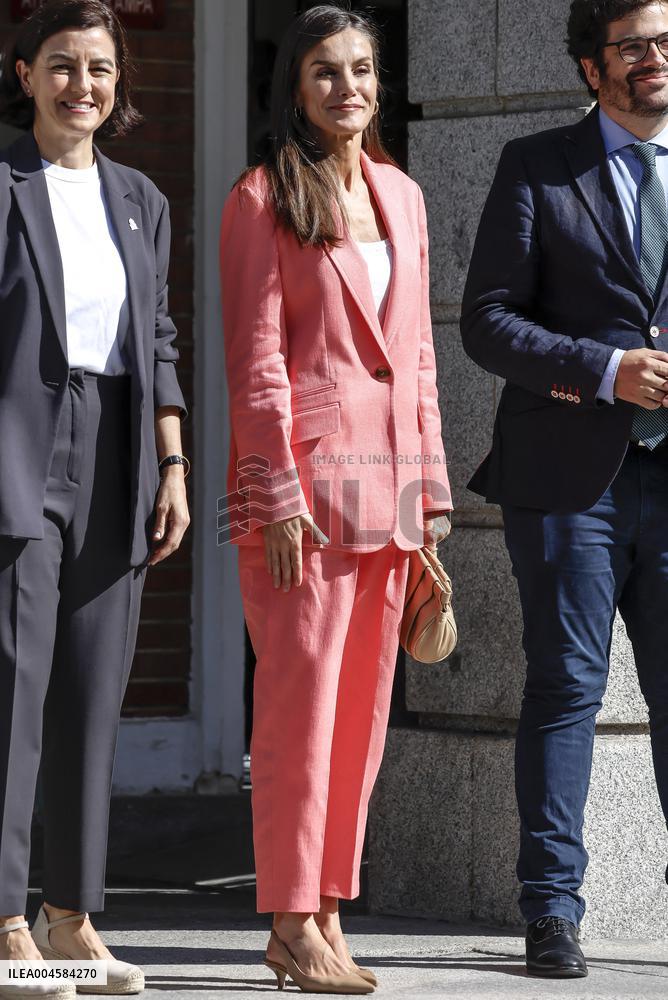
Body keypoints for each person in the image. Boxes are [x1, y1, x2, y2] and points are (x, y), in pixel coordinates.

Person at [220, 4, 451, 994]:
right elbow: (255, 359)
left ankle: (325, 911)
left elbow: (417, 354)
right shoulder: (260, 196)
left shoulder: (402, 194)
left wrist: (430, 488)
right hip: (301, 499)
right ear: (295, 88)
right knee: (298, 711)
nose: (346, 86)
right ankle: (288, 916)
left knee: (359, 715)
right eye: (325, 71)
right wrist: (274, 491)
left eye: (360, 68)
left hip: (388, 490)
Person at [461, 0, 668, 981]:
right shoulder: (536, 166)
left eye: (665, 41)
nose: (654, 58)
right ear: (592, 67)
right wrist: (602, 369)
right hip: (569, 482)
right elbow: (487, 321)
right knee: (564, 688)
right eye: (632, 46)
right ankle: (550, 909)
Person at [0, 2, 189, 996]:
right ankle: (4, 917)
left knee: (90, 688)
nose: (84, 85)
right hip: (18, 449)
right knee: (14, 688)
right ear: (25, 74)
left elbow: (156, 335)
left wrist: (173, 464)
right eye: (64, 65)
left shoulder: (139, 199)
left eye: (101, 68)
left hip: (118, 451)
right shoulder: (2, 184)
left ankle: (70, 914)